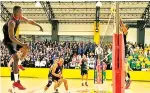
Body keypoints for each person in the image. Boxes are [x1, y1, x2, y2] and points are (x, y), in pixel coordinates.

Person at [2, 6, 43, 90]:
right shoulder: (11, 22)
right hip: (8, 41)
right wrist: (21, 43)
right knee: (16, 58)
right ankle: (16, 82)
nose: (22, 13)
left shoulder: (19, 17)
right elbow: (11, 37)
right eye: (21, 12)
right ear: (16, 12)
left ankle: (19, 64)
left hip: (13, 40)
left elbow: (29, 21)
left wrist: (38, 25)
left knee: (26, 48)